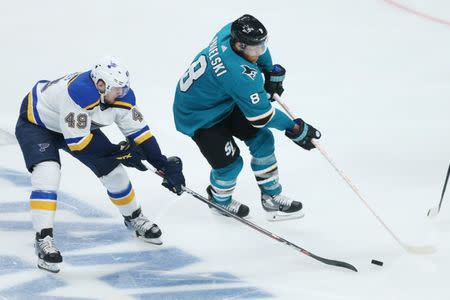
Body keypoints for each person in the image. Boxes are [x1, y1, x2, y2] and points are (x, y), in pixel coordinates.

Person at [15, 56, 185, 273]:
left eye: (124, 89)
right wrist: (118, 152)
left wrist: (162, 163)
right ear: (101, 85)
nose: (122, 94)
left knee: (115, 173)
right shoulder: (79, 94)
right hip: (37, 124)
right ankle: (43, 238)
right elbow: (78, 143)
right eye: (117, 90)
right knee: (48, 173)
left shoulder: (119, 96)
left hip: (73, 126)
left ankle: (134, 218)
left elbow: (139, 133)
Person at [173, 14, 320, 221]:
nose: (260, 51)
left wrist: (269, 71)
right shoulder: (237, 74)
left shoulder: (229, 31)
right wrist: (293, 128)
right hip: (198, 117)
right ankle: (219, 200)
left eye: (262, 45)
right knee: (230, 165)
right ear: (240, 45)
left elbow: (260, 53)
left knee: (263, 139)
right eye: (255, 48)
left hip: (220, 101)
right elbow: (261, 117)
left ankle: (271, 196)